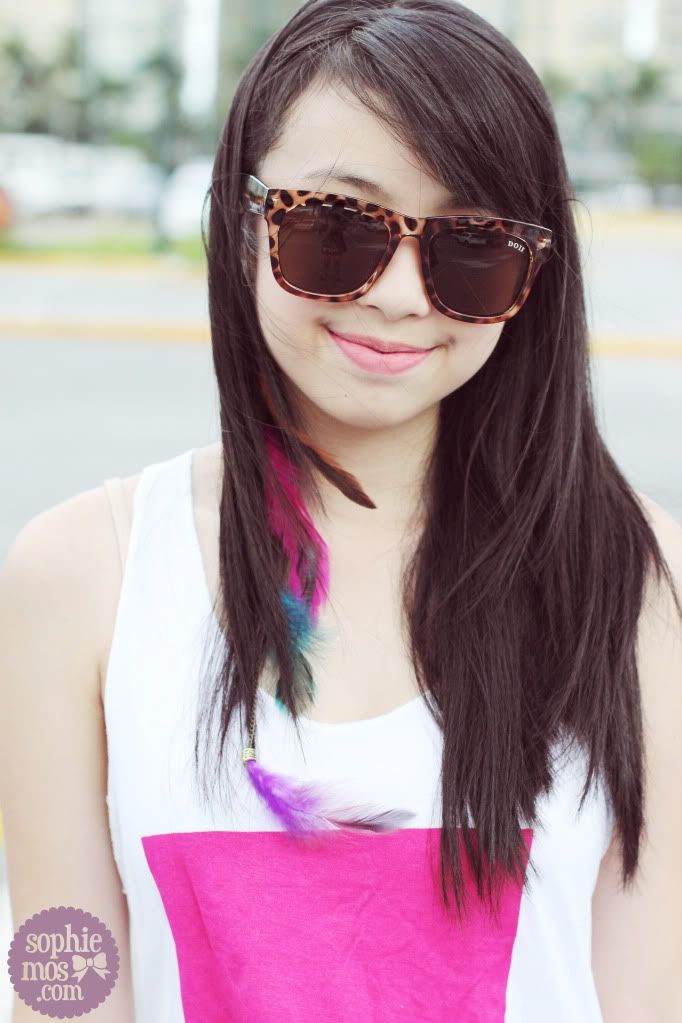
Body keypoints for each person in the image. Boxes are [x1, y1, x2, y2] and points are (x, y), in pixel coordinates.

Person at [1, 1, 681, 1020]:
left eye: (473, 246)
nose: (400, 295)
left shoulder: (633, 576)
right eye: (336, 229)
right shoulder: (79, 576)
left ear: (535, 275)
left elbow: (644, 997)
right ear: (242, 219)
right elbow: (64, 984)